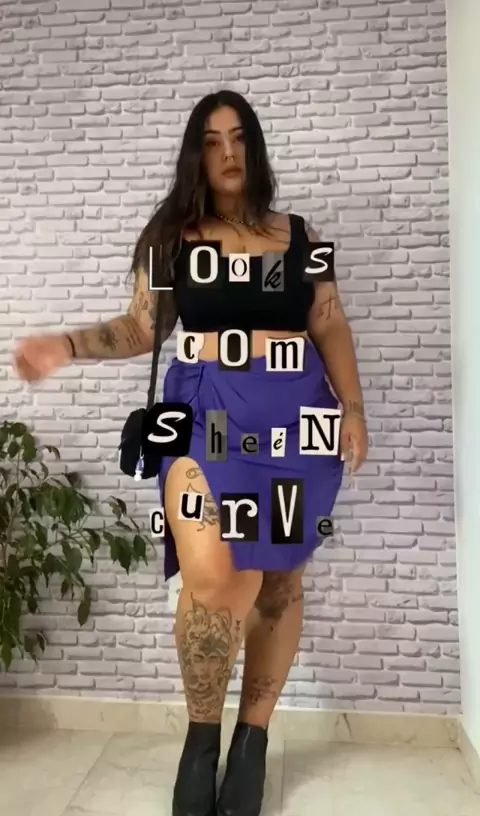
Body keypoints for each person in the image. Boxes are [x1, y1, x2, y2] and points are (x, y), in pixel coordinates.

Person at [13, 89, 368, 816]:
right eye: (211, 141)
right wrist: (68, 345)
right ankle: (201, 740)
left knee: (279, 583)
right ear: (195, 154)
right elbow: (142, 328)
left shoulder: (301, 234)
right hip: (205, 412)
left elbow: (328, 321)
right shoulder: (172, 237)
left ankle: (251, 742)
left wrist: (353, 407)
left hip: (298, 419)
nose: (227, 153)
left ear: (254, 147)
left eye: (238, 138)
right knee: (215, 572)